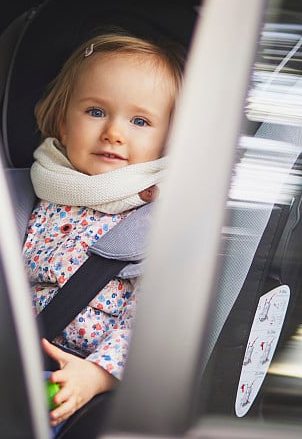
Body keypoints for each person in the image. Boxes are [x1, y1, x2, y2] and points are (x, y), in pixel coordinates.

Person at [23, 31, 184, 433]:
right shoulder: (40, 187)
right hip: (6, 361)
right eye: (96, 111)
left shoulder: (158, 219)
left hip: (83, 386)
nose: (114, 132)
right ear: (63, 118)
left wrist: (95, 375)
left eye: (140, 121)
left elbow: (151, 323)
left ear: (170, 139)